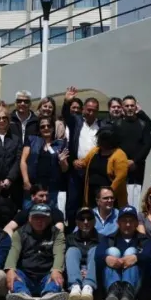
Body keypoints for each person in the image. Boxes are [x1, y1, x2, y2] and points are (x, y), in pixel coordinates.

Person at [4, 203, 69, 300]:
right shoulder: (19, 233)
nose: (39, 221)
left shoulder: (57, 234)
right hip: (26, 274)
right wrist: (10, 270)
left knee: (56, 278)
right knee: (15, 276)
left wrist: (56, 270)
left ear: (49, 219)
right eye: (36, 217)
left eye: (43, 218)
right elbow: (13, 253)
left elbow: (59, 253)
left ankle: (50, 295)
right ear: (29, 218)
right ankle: (22, 295)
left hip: (47, 274)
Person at [97, 205, 151, 300]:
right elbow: (98, 255)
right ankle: (114, 291)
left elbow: (150, 255)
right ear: (118, 223)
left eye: (131, 221)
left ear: (136, 223)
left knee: (131, 251)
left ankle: (127, 293)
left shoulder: (145, 240)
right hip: (110, 286)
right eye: (124, 221)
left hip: (137, 286)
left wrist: (136, 257)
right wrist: (107, 259)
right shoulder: (108, 239)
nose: (127, 224)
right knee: (113, 252)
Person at [63, 87, 107, 223]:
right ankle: (71, 231)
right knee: (73, 203)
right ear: (83, 110)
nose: (91, 112)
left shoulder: (103, 125)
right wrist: (67, 102)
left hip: (95, 171)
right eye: (88, 109)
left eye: (94, 110)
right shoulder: (76, 122)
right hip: (77, 170)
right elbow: (66, 115)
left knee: (94, 203)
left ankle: (96, 230)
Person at [19, 116, 69, 208]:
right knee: (28, 212)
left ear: (53, 128)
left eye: (48, 126)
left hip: (52, 188)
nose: (46, 128)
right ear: (39, 129)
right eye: (42, 126)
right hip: (32, 186)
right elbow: (23, 161)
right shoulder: (31, 140)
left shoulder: (60, 144)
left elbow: (65, 169)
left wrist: (62, 162)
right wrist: (26, 181)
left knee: (49, 214)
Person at [114, 95, 151, 207]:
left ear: (136, 107)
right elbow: (114, 145)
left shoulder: (143, 124)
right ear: (122, 107)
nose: (130, 108)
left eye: (132, 105)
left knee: (134, 197)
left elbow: (147, 145)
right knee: (119, 197)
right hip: (120, 166)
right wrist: (123, 162)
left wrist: (134, 161)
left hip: (137, 167)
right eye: (127, 106)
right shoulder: (117, 124)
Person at [80, 125, 128, 210]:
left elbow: (120, 177)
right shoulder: (95, 151)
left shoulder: (119, 154)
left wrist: (108, 194)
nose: (104, 142)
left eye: (107, 139)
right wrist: (77, 163)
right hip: (92, 195)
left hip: (110, 198)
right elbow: (85, 162)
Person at [66, 208, 99, 300]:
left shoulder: (102, 239)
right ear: (76, 222)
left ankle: (88, 286)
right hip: (75, 274)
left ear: (94, 221)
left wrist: (89, 272)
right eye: (82, 219)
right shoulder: (69, 239)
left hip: (93, 277)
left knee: (96, 250)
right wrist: (79, 272)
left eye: (89, 219)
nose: (86, 222)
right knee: (72, 250)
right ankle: (75, 286)